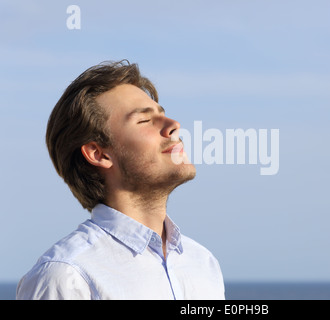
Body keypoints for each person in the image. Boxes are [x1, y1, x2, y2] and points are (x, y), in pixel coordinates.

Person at [16, 60, 225, 300]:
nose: (174, 126)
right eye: (145, 121)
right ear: (100, 154)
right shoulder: (65, 276)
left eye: (163, 115)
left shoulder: (203, 263)